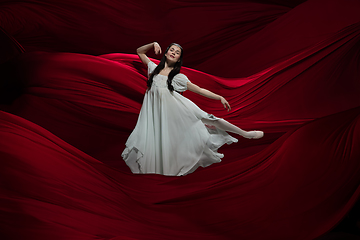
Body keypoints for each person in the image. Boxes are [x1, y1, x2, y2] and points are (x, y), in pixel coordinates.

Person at [122, 42, 264, 176]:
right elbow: (140, 52)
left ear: (178, 60)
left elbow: (200, 90)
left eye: (177, 52)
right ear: (165, 53)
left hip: (178, 108)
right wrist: (153, 44)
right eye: (171, 50)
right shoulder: (153, 69)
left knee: (210, 119)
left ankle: (245, 133)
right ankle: (160, 174)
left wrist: (218, 97)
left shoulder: (178, 78)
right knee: (160, 143)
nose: (173, 52)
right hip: (160, 115)